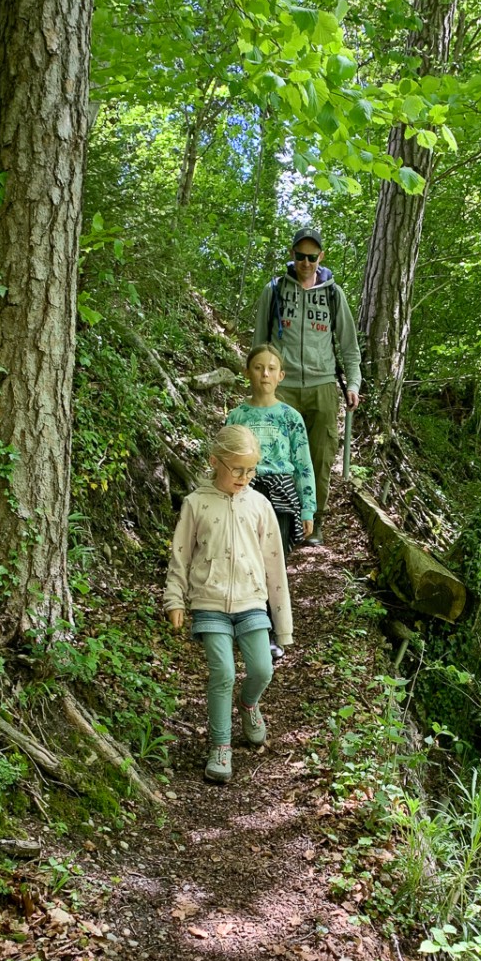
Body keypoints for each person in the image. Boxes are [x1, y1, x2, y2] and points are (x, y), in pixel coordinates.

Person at [163, 424, 291, 784]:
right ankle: (220, 746)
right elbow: (181, 556)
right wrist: (175, 598)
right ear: (214, 461)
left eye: (251, 470)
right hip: (209, 602)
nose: (245, 477)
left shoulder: (260, 504)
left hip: (252, 602)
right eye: (237, 469)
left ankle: (248, 705)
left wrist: (283, 625)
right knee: (223, 672)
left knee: (262, 669)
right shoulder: (195, 504)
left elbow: (275, 567)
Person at [252, 225, 361, 547]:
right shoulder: (273, 290)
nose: (306, 263)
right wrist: (260, 383)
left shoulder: (332, 293)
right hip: (281, 385)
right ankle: (274, 518)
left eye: (312, 257)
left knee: (319, 457)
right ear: (292, 255)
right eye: (300, 256)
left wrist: (352, 383)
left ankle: (315, 520)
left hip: (323, 384)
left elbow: (349, 345)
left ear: (321, 257)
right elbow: (259, 343)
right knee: (274, 454)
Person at [225, 345, 316, 664]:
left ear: (281, 375)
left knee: (271, 566)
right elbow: (226, 461)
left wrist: (308, 508)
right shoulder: (237, 416)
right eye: (258, 367)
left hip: (281, 496)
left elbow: (303, 462)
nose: (264, 373)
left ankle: (272, 634)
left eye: (271, 368)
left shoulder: (290, 417)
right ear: (248, 372)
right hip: (245, 492)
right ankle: (250, 628)